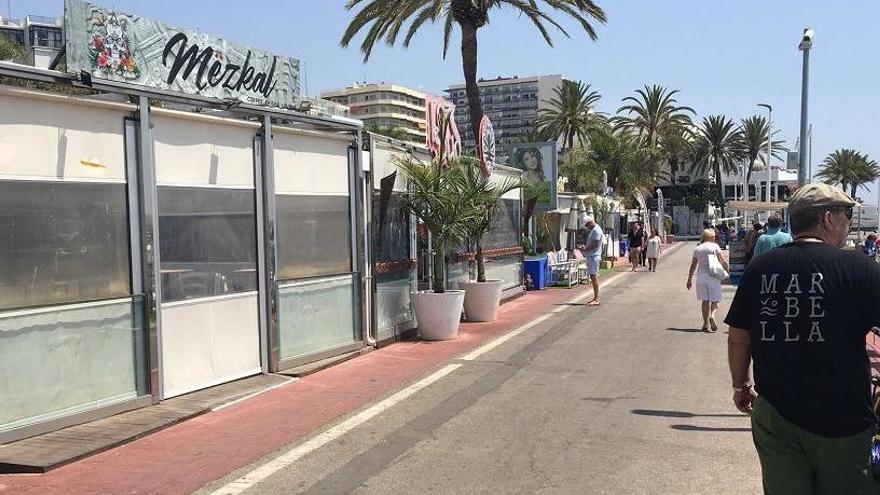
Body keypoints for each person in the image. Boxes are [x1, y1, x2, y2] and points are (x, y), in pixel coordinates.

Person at [725, 183, 880, 493]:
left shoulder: (760, 268)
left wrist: (741, 384)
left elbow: (739, 336)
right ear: (827, 219)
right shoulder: (861, 269)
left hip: (776, 415)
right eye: (846, 214)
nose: (849, 223)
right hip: (842, 418)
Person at [686, 229, 729, 332]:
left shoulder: (698, 248)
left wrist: (689, 279)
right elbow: (722, 261)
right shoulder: (715, 247)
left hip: (701, 277)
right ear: (708, 237)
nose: (715, 238)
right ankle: (712, 316)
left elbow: (693, 264)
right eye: (713, 236)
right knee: (715, 300)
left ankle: (705, 324)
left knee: (705, 301)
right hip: (713, 276)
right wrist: (727, 271)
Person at [583, 216, 604, 306]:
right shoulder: (595, 230)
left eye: (587, 225)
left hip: (593, 256)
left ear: (590, 222)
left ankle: (596, 298)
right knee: (593, 277)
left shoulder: (596, 230)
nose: (587, 227)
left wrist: (585, 248)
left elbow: (595, 244)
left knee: (594, 277)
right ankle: (595, 297)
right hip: (592, 255)